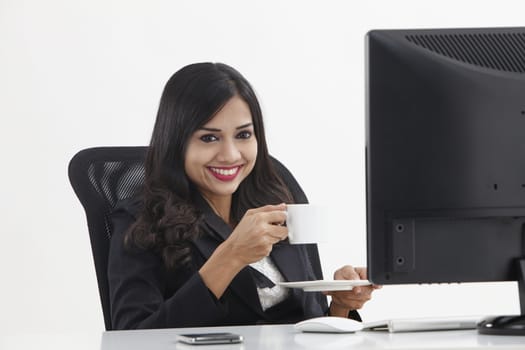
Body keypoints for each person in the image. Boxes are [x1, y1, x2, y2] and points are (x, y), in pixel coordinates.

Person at [107, 62, 379, 330]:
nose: (231, 155)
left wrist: (341, 306)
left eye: (244, 135)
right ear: (177, 143)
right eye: (209, 138)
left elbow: (310, 323)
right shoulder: (141, 220)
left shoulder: (278, 195)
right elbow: (132, 339)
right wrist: (230, 257)